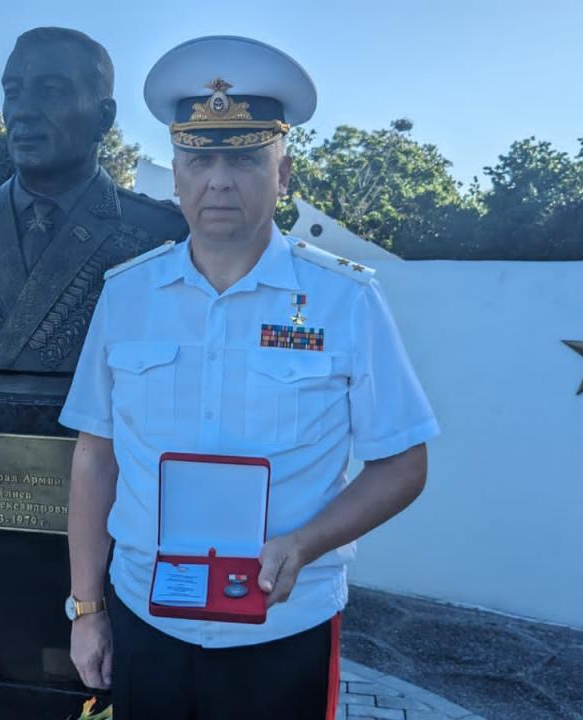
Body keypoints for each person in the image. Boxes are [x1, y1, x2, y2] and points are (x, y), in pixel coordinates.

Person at [58, 36, 440, 719]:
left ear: (284, 172)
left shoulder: (346, 301)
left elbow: (403, 463)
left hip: (283, 627)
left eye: (243, 158)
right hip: (148, 616)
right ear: (175, 173)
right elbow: (95, 457)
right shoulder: (127, 296)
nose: (219, 180)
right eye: (200, 158)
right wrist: (87, 609)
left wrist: (305, 542)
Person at [0, 27, 188, 396]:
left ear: (103, 118)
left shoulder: (164, 235)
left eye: (51, 91)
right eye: (13, 92)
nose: (23, 111)